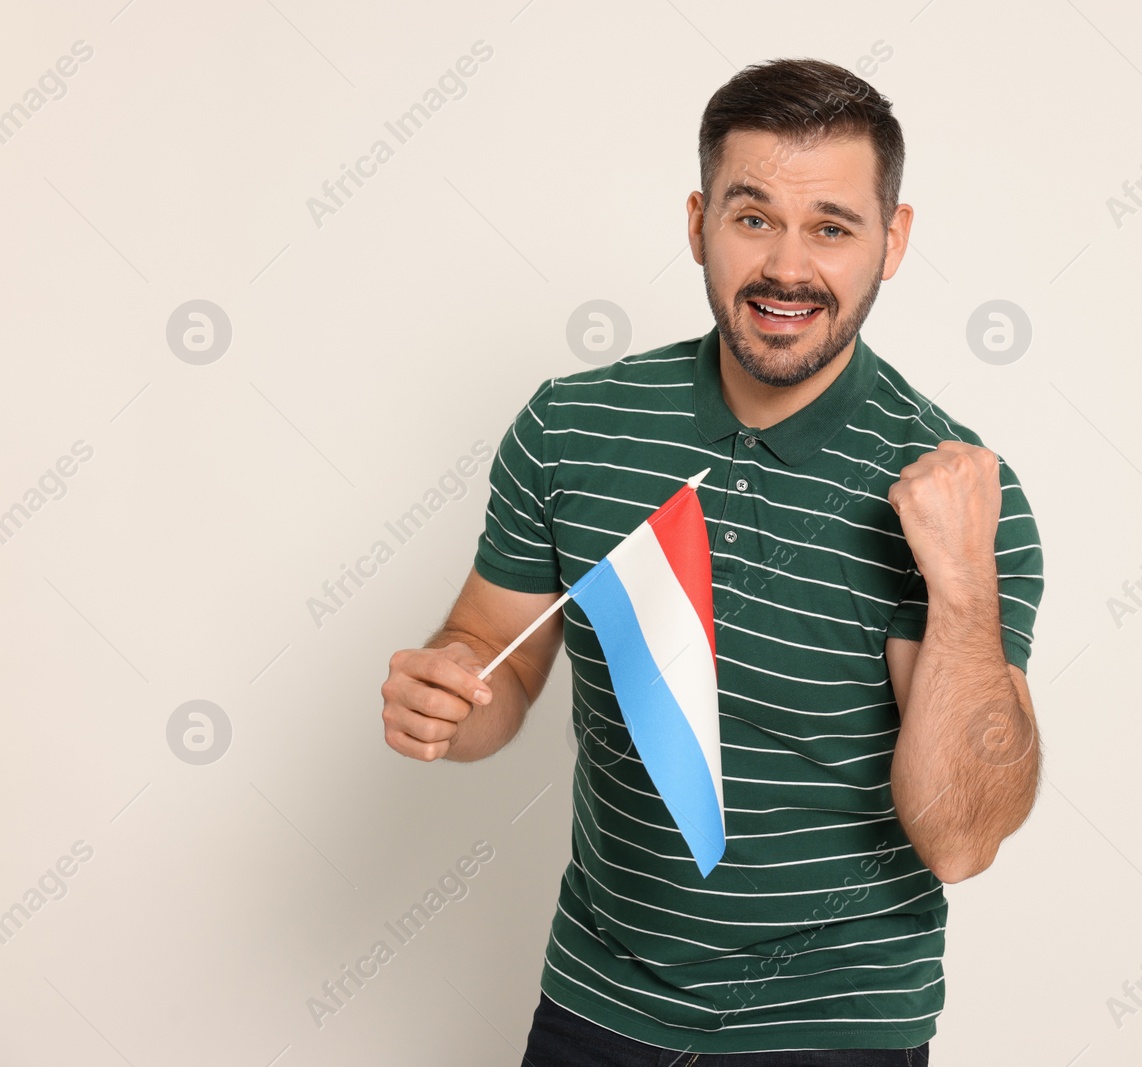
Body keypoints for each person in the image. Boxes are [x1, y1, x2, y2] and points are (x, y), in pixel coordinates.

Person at [378, 56, 1045, 1065]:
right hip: (600, 1004)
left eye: (831, 224)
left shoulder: (957, 494)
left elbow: (960, 836)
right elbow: (496, 653)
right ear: (697, 222)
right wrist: (452, 696)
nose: (786, 265)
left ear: (891, 242)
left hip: (836, 1028)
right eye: (752, 216)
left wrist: (959, 582)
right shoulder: (573, 428)